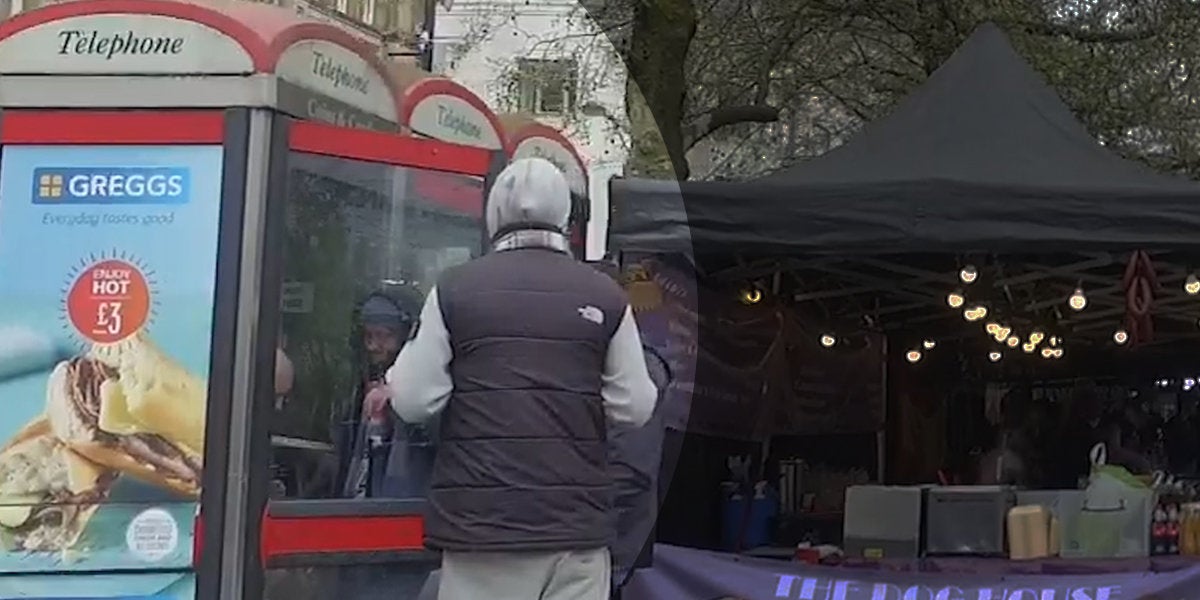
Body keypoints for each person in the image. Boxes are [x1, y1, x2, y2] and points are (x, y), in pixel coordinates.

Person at [375, 158, 658, 600]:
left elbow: (413, 401)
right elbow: (636, 406)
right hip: (576, 533)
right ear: (565, 217)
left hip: (483, 532)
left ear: (493, 215)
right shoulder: (605, 297)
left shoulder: (454, 289)